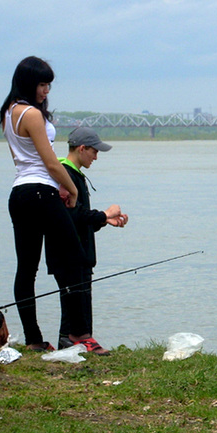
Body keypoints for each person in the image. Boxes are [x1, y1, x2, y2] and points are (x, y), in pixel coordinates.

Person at [0, 56, 93, 352]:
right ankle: (77, 334)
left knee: (27, 269)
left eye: (49, 84)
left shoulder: (8, 112)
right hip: (42, 193)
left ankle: (34, 339)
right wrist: (71, 190)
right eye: (42, 84)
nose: (46, 90)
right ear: (29, 83)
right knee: (76, 260)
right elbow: (50, 163)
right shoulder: (32, 115)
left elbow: (28, 161)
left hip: (20, 194)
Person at [56, 127, 129, 355]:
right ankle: (81, 338)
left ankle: (69, 341)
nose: (96, 157)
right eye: (94, 152)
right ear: (81, 148)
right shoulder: (66, 176)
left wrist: (104, 221)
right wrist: (105, 214)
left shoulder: (73, 175)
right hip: (70, 252)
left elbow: (79, 218)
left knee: (79, 295)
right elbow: (71, 215)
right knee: (76, 295)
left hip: (81, 251)